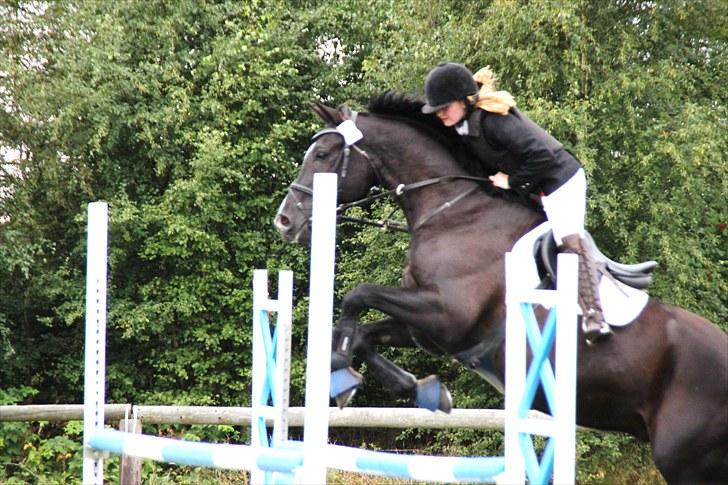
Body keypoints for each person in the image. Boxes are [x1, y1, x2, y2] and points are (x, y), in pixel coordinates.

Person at [422, 62, 612, 344]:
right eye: (436, 109)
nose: (440, 114)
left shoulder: (494, 120)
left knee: (567, 239)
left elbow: (542, 158)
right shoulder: (462, 125)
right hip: (533, 187)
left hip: (561, 180)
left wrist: (510, 182)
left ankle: (595, 316)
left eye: (444, 107)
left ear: (464, 101)